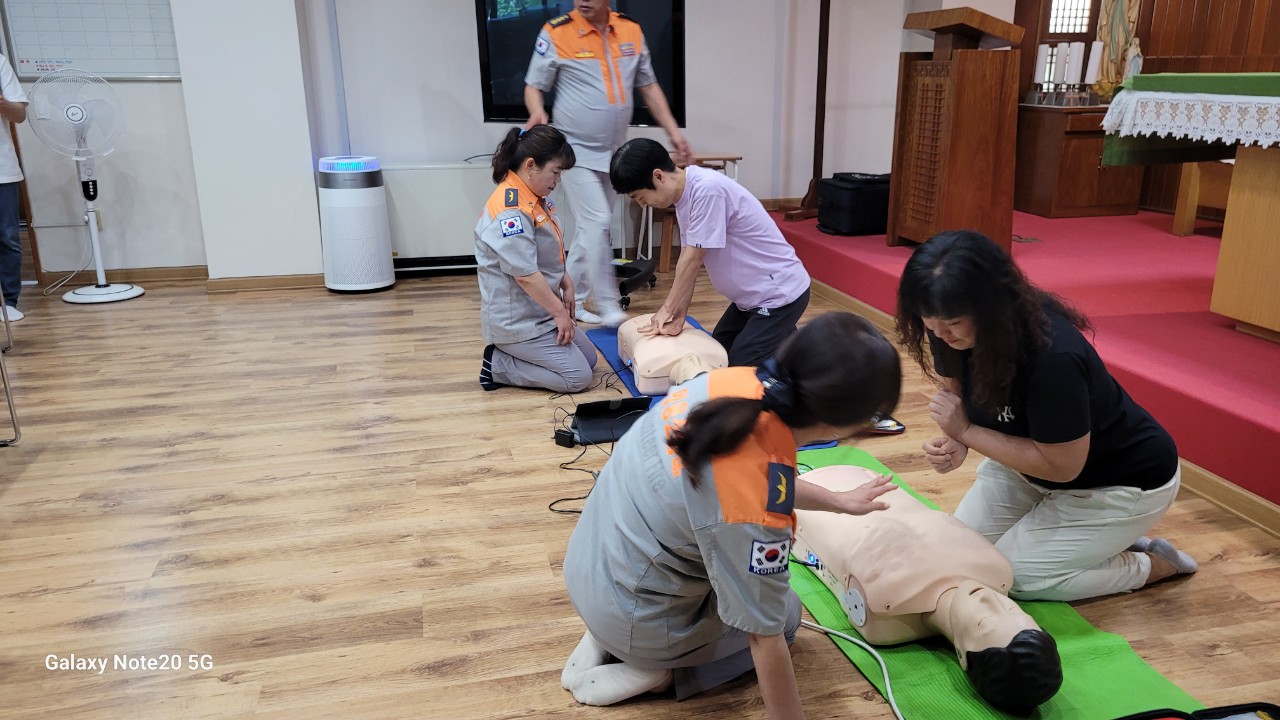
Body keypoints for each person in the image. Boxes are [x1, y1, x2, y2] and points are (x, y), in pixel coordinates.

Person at [560, 312, 902, 717]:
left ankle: (609, 635)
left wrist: (839, 500)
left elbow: (762, 477)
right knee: (787, 618)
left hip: (590, 565)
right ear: (841, 424)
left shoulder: (731, 385)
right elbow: (764, 636)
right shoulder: (751, 508)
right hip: (635, 614)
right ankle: (658, 672)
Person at [895, 230, 1197, 602]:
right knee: (961, 557)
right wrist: (956, 440)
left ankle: (1154, 565)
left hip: (1116, 483)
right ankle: (1097, 541)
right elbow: (955, 385)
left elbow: (1062, 467)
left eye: (952, 322)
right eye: (929, 321)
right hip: (1027, 468)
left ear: (991, 307)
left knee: (1016, 578)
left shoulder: (1054, 359)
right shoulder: (946, 326)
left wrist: (966, 431)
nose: (939, 333)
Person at [794, 464, 1063, 715]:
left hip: (809, 502)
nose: (989, 599)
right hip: (856, 481)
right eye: (1014, 611)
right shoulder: (996, 569)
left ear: (963, 656)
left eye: (984, 622)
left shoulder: (887, 600)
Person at [524, 0, 692, 328]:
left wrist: (673, 132)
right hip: (574, 150)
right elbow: (534, 85)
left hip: (613, 152)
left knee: (589, 231)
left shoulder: (630, 30)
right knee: (598, 221)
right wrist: (538, 111)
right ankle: (608, 304)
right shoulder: (556, 32)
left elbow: (649, 87)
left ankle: (570, 302)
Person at [608, 138, 811, 368]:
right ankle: (787, 344)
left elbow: (693, 259)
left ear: (658, 176)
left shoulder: (707, 190)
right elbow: (688, 259)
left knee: (737, 368)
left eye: (640, 197)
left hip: (777, 296)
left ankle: (791, 360)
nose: (643, 204)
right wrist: (679, 314)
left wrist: (666, 309)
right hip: (748, 299)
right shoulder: (684, 195)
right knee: (718, 353)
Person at [475, 124, 598, 394]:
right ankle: (497, 364)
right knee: (578, 378)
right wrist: (560, 314)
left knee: (590, 360)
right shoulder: (511, 210)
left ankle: (520, 357)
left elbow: (544, 252)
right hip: (518, 322)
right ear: (531, 165)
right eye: (555, 172)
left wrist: (565, 281)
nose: (558, 180)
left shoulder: (533, 196)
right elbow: (525, 275)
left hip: (540, 310)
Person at [0, 53, 29, 322]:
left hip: (2, 169)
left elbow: (19, 114)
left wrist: (2, 102)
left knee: (7, 236)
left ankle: (8, 301)